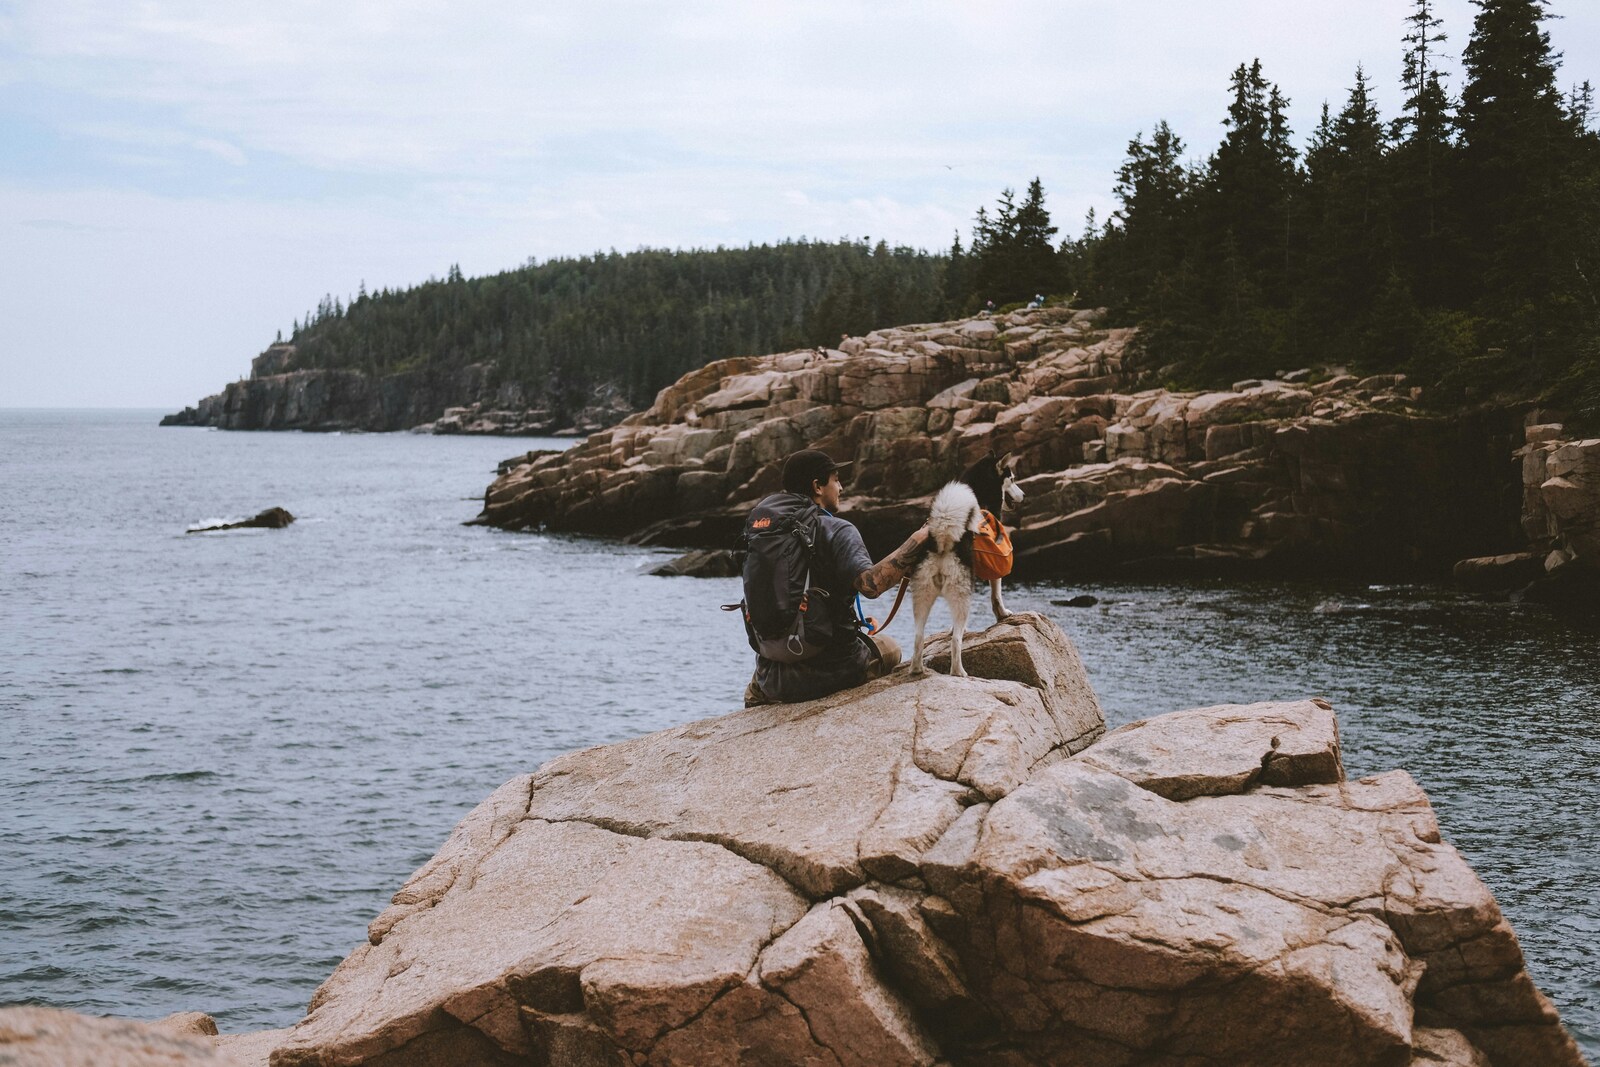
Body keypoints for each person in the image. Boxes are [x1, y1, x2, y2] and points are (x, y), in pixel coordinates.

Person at [744, 449, 929, 706]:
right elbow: (871, 585)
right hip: (833, 671)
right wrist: (919, 539)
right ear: (817, 486)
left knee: (752, 692)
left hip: (772, 676)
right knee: (890, 648)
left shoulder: (766, 530)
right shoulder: (838, 529)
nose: (840, 488)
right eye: (836, 480)